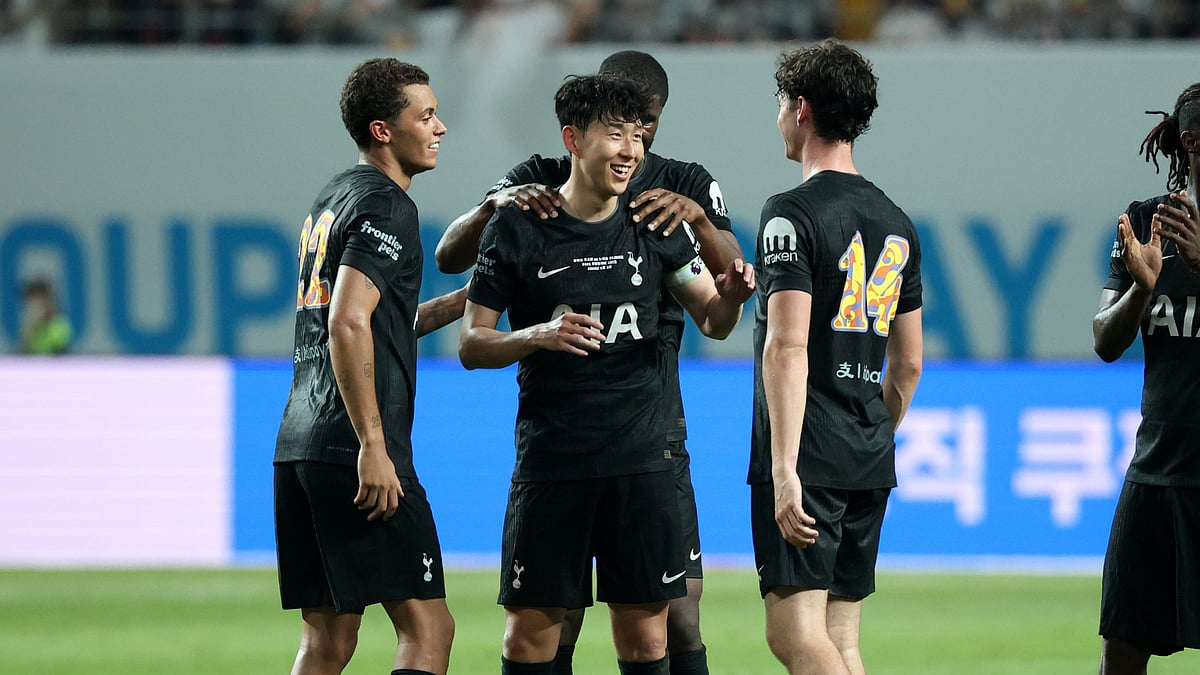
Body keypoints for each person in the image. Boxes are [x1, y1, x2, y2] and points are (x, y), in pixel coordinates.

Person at [436, 50, 742, 675]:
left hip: (647, 450)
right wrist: (539, 333)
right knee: (533, 637)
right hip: (554, 459)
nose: (633, 145)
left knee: (661, 632)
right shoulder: (524, 211)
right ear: (574, 138)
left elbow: (714, 312)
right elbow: (469, 336)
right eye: (618, 130)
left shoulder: (664, 213)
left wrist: (727, 278)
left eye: (641, 129)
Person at [272, 58, 464, 675]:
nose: (440, 128)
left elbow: (377, 325)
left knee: (328, 637)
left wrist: (467, 301)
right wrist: (373, 444)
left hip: (300, 440)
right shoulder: (388, 207)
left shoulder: (334, 197)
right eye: (426, 115)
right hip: (354, 443)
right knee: (428, 627)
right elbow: (347, 322)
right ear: (385, 130)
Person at [749, 39, 923, 675]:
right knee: (841, 638)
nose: (777, 121)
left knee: (795, 636)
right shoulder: (898, 220)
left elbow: (787, 345)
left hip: (810, 454)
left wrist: (786, 468)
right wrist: (870, 435)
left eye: (779, 106)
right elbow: (907, 365)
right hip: (867, 454)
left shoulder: (788, 215)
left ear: (801, 109)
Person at [1092, 82, 1200, 675]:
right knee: (1123, 649)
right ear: (1192, 140)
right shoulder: (1145, 223)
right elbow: (1105, 341)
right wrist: (1141, 286)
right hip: (1156, 472)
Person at [19, 278, 72, 355]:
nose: (33, 307)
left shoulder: (60, 325)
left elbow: (62, 356)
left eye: (37, 301)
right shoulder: (28, 328)